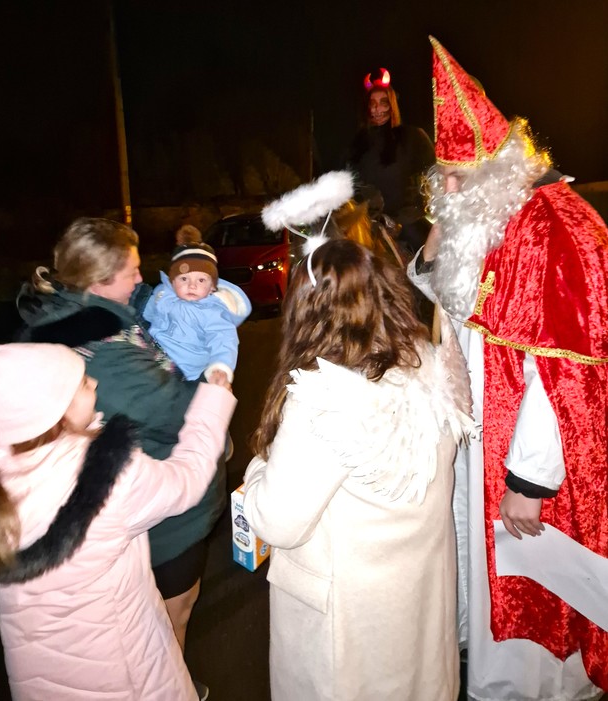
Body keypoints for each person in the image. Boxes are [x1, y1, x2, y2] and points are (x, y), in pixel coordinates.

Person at [407, 37, 608, 700]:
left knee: (536, 592)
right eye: (443, 176)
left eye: (458, 176)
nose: (448, 189)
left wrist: (529, 478)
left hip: (527, 456)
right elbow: (461, 305)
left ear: (497, 169)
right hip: (483, 436)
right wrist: (441, 235)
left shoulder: (554, 228)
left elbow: (563, 375)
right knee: (489, 581)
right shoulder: (494, 218)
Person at [242, 172, 477, 701]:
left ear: (306, 311)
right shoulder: (427, 365)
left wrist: (257, 469)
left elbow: (277, 521)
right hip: (414, 606)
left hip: (348, 631)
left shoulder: (324, 398)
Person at [15, 218, 224, 698]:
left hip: (137, 493)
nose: (140, 278)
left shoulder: (93, 314)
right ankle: (173, 687)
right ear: (98, 280)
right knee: (170, 612)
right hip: (163, 507)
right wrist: (215, 397)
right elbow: (174, 410)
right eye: (131, 271)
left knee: (155, 616)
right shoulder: (101, 347)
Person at [0, 342, 236, 701]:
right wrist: (213, 402)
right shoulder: (107, 476)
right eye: (80, 383)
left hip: (40, 675)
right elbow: (187, 480)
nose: (93, 382)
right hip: (120, 672)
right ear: (55, 410)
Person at [142, 224, 251, 384]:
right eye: (184, 279)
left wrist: (220, 366)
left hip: (187, 375)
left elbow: (223, 339)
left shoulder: (213, 311)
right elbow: (144, 317)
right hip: (152, 365)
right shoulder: (162, 295)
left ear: (212, 286)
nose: (192, 286)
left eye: (201, 280)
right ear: (172, 281)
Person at [346, 66, 436, 257]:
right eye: (372, 104)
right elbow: (350, 182)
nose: (376, 109)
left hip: (406, 221)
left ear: (392, 105)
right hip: (369, 223)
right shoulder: (356, 145)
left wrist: (418, 206)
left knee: (431, 253)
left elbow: (434, 173)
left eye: (383, 103)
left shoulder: (412, 137)